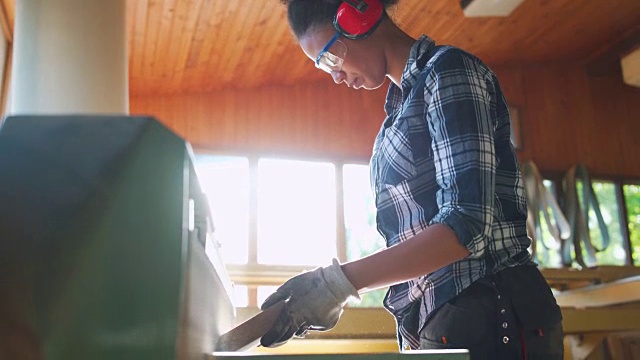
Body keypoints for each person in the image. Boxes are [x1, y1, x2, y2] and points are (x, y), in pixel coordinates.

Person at [260, 0, 564, 358]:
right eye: (322, 67)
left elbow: (467, 223)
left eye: (329, 57)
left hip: (492, 309)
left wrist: (338, 283)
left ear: (360, 16)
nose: (335, 75)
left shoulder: (449, 72)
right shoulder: (397, 114)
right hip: (445, 317)